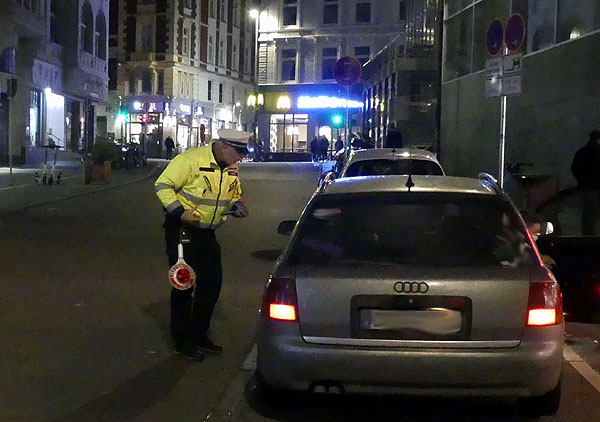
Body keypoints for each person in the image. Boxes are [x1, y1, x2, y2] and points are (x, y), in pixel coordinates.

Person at [155, 129, 251, 361]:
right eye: (238, 152)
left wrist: (237, 204)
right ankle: (182, 341)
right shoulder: (190, 160)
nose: (241, 158)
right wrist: (180, 212)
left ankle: (199, 334)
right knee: (184, 284)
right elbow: (162, 185)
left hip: (207, 233)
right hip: (182, 230)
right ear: (223, 147)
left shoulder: (230, 166)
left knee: (212, 284)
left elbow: (233, 191)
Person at [571, 130, 600, 235]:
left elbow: (575, 169)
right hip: (593, 188)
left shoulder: (582, 152)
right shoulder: (596, 152)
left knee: (588, 215)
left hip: (586, 188)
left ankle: (588, 235)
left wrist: (582, 181)